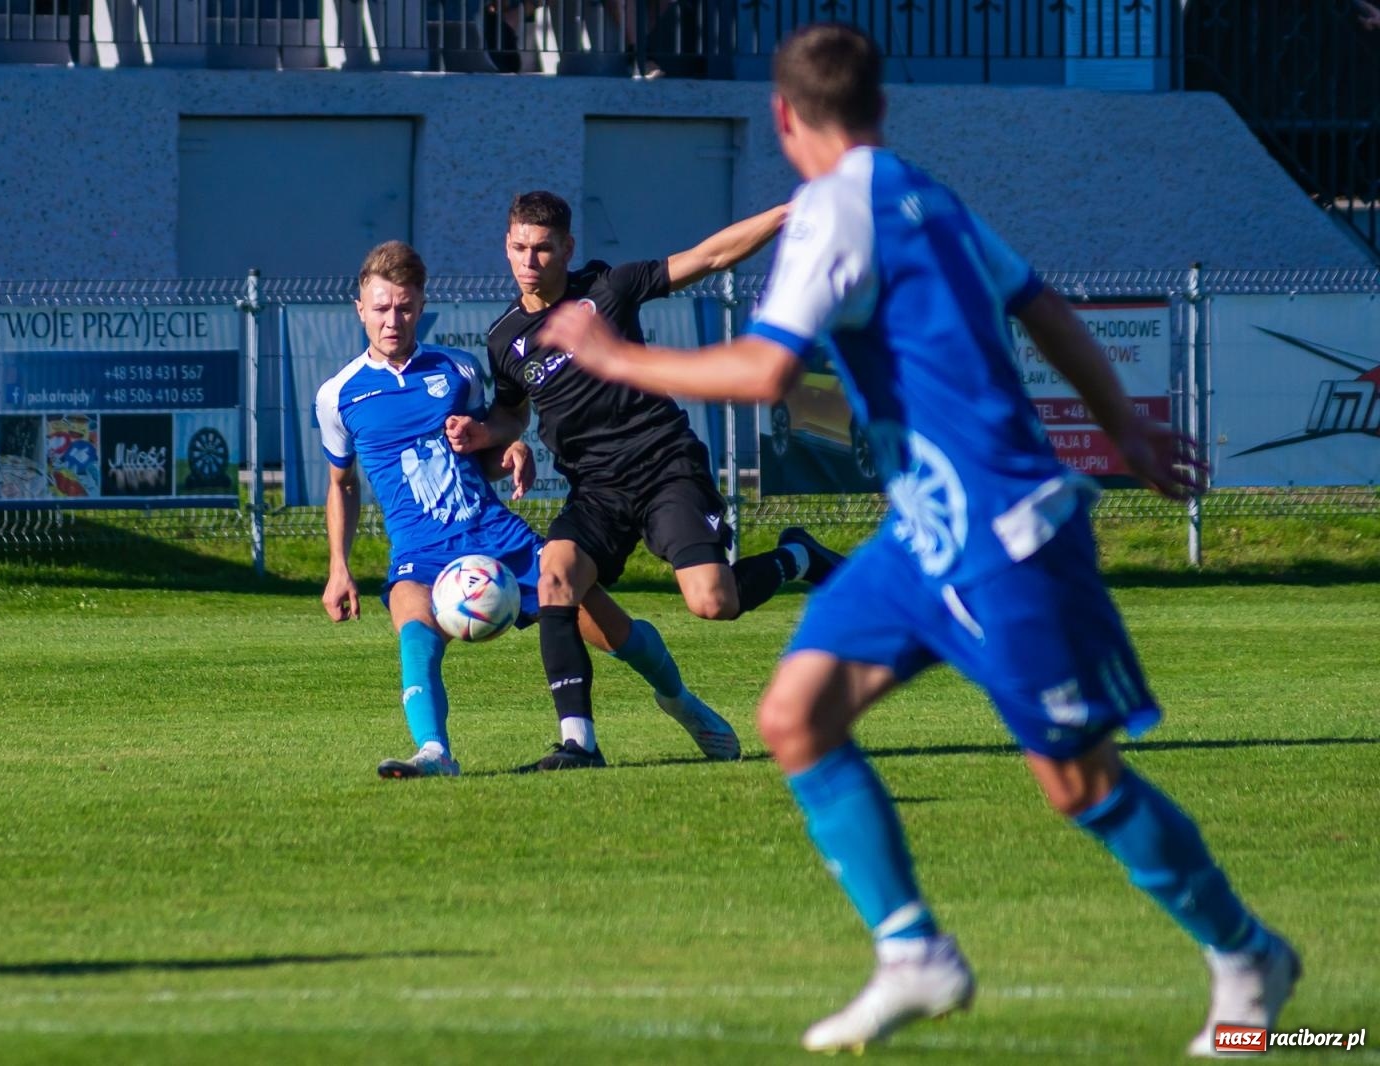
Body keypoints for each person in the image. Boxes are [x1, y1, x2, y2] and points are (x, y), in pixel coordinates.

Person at [536, 24, 1299, 1056]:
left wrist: (616, 357)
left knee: (1076, 779)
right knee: (795, 713)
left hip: (1008, 536)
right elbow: (1039, 304)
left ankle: (1245, 951)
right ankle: (912, 951)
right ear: (879, 109)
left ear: (782, 119)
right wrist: (1119, 423)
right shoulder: (924, 192)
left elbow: (765, 370)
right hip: (924, 533)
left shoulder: (831, 214)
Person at [446, 191, 842, 772]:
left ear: (568, 248)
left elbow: (708, 258)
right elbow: (513, 415)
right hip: (596, 489)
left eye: (543, 248)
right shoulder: (505, 339)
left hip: (663, 465)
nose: (529, 260)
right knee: (554, 576)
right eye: (519, 248)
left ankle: (797, 558)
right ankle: (578, 744)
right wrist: (484, 434)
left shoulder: (611, 288)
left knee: (713, 602)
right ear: (507, 246)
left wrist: (789, 215)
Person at [317, 240, 740, 779]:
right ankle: (434, 752)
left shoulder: (459, 370)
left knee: (612, 629)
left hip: (496, 536)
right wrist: (339, 567)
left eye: (403, 306)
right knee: (413, 624)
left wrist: (509, 452)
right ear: (360, 309)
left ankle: (680, 700)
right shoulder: (339, 395)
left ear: (421, 305)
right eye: (380, 308)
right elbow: (342, 485)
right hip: (419, 550)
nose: (392, 319)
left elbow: (485, 446)